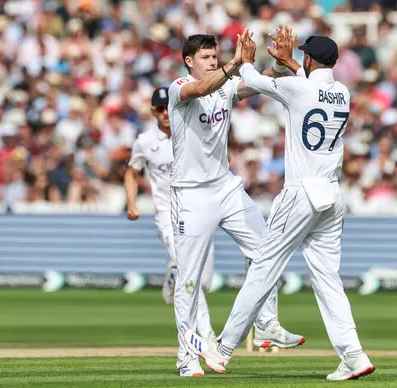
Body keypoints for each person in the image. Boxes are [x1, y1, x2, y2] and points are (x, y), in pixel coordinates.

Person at [183, 30, 376, 381]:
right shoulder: (342, 93)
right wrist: (289, 62)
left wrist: (249, 57)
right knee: (328, 280)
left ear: (308, 60)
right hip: (332, 197)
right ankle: (354, 355)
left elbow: (251, 78)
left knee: (262, 269)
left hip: (301, 193)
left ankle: (223, 348)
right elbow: (311, 85)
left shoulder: (297, 87)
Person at [168, 30, 304, 377]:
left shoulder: (226, 83)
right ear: (189, 61)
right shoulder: (179, 87)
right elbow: (202, 89)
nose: (212, 62)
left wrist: (271, 66)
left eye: (215, 56)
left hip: (225, 186)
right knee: (189, 279)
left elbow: (249, 86)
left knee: (267, 250)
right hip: (191, 193)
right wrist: (235, 64)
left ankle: (266, 325)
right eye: (205, 57)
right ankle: (187, 356)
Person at [123, 87, 216, 376]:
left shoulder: (193, 131)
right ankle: (207, 339)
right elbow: (131, 172)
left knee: (206, 281)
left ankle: (172, 273)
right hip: (167, 216)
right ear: (153, 112)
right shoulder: (145, 142)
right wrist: (131, 203)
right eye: (160, 109)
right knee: (193, 279)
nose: (165, 113)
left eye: (168, 107)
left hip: (198, 212)